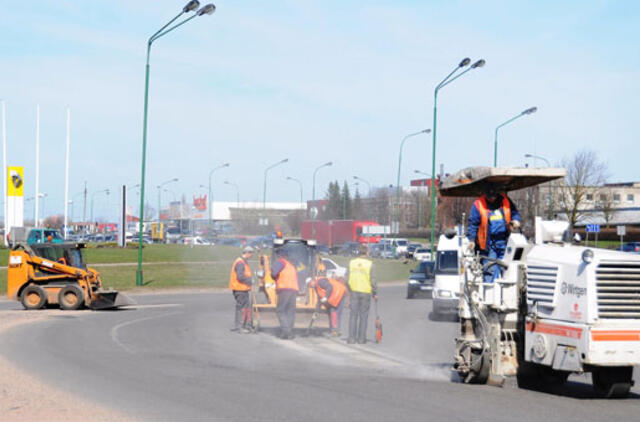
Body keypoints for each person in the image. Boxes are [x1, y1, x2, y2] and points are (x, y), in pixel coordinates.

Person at [466, 183, 521, 282]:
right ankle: (490, 294)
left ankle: (505, 294)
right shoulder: (478, 205)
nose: (492, 199)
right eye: (490, 197)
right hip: (488, 245)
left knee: (507, 271)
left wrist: (516, 220)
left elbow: (514, 213)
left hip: (504, 242)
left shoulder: (505, 201)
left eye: (494, 197)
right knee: (490, 271)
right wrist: (471, 240)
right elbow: (473, 224)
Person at [347, 256, 376, 344]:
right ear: (366, 253)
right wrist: (375, 293)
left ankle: (351, 339)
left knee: (353, 316)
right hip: (365, 292)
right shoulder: (370, 264)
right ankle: (361, 339)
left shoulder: (351, 263)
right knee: (363, 317)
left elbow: (346, 278)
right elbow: (373, 281)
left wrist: (349, 288)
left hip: (354, 291)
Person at [271, 250, 299, 339]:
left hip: (284, 289)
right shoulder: (291, 266)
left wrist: (274, 277)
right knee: (290, 311)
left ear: (279, 256)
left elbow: (274, 273)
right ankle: (289, 332)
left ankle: (286, 331)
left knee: (280, 310)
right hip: (293, 290)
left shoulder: (280, 262)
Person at [229, 246, 255, 333]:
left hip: (243, 288)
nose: (252, 256)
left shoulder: (243, 262)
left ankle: (244, 325)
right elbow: (240, 277)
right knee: (241, 308)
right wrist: (250, 280)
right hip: (240, 289)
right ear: (247, 253)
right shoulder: (240, 263)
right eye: (251, 254)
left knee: (245, 307)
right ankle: (239, 327)